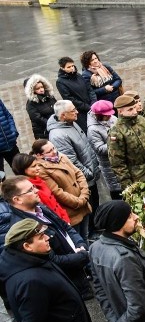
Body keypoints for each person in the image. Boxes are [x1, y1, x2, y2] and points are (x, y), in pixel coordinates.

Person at [0, 175, 95, 310]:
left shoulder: (40, 207)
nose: (36, 191)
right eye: (30, 190)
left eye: (34, 187)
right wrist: (83, 256)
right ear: (17, 199)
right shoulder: (23, 228)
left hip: (77, 265)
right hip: (67, 280)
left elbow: (65, 227)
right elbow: (51, 260)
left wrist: (81, 244)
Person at [46, 99, 100, 232]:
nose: (77, 112)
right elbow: (71, 162)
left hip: (90, 172)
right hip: (85, 178)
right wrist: (88, 173)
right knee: (89, 207)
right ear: (63, 115)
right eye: (73, 110)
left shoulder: (71, 123)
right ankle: (92, 232)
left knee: (95, 203)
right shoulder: (58, 135)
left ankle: (97, 227)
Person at [32, 139, 91, 239]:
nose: (54, 152)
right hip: (71, 210)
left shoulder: (61, 156)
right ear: (39, 155)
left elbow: (78, 173)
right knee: (78, 239)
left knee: (85, 235)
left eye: (53, 148)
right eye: (49, 151)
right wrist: (78, 202)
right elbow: (57, 192)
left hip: (83, 203)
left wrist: (84, 194)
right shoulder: (42, 170)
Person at [108, 94, 145, 192]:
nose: (135, 112)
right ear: (120, 111)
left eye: (134, 108)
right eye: (130, 110)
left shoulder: (142, 121)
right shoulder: (116, 132)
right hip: (137, 180)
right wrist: (129, 187)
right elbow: (118, 164)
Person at [10, 154, 71, 223]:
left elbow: (55, 203)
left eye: (38, 165)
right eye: (33, 166)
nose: (38, 168)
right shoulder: (27, 189)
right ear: (23, 169)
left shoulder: (40, 180)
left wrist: (65, 218)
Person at [86, 100, 122, 200]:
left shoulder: (113, 119)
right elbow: (99, 149)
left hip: (121, 160)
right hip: (108, 164)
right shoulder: (92, 129)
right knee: (116, 190)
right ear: (99, 115)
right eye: (107, 115)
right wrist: (117, 144)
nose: (110, 116)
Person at [55, 57, 95, 132]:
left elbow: (89, 88)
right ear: (62, 68)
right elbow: (70, 99)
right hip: (80, 112)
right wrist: (87, 107)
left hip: (91, 106)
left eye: (73, 66)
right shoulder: (60, 82)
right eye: (69, 67)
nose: (72, 68)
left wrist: (93, 102)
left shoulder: (78, 75)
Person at [24, 75, 58, 140]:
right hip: (44, 132)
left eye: (42, 87)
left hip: (55, 125)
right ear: (32, 90)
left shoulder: (49, 96)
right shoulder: (31, 104)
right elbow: (38, 118)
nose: (41, 90)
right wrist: (52, 123)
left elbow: (57, 107)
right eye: (37, 88)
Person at [0, 97, 20, 168]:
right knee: (1, 176)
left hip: (10, 143)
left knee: (21, 170)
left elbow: (8, 116)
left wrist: (13, 131)